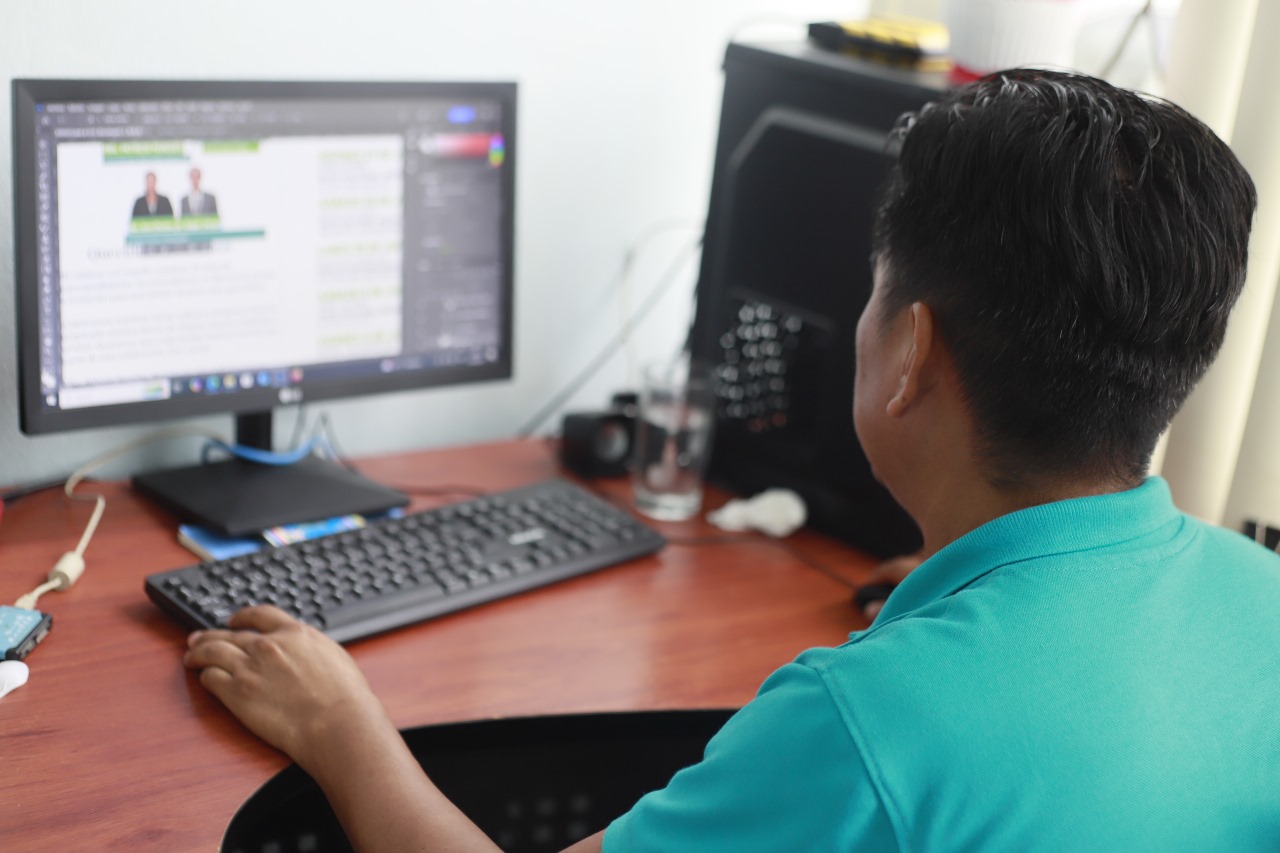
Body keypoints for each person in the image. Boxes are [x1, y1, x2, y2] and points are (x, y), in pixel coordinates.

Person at [184, 69, 1279, 850]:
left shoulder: (867, 721)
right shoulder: (1261, 597)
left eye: (874, 289)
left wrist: (341, 728)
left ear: (911, 351)